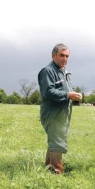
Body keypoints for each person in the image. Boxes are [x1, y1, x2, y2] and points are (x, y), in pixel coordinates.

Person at [38, 43, 82, 174]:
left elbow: (64, 91)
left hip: (62, 113)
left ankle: (49, 169)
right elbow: (48, 92)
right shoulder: (48, 71)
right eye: (61, 55)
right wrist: (68, 95)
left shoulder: (63, 72)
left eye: (67, 56)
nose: (65, 59)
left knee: (55, 140)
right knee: (57, 142)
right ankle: (57, 174)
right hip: (52, 114)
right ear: (54, 56)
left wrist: (74, 96)